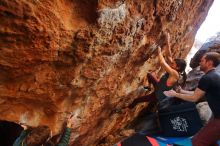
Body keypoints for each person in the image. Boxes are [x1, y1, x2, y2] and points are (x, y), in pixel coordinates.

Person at [164, 52, 220, 146]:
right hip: (216, 116)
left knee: (198, 142)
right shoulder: (214, 76)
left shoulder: (207, 78)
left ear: (209, 63)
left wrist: (174, 94)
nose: (199, 62)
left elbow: (194, 98)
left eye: (202, 60)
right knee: (208, 140)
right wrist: (181, 91)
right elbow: (198, 94)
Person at [129, 32, 186, 109]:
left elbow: (162, 63)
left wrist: (159, 52)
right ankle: (149, 87)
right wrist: (167, 39)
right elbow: (169, 55)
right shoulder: (174, 68)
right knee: (150, 74)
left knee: (137, 100)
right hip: (159, 85)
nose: (171, 63)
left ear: (178, 68)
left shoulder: (175, 74)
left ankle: (127, 108)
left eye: (173, 64)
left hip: (157, 95)